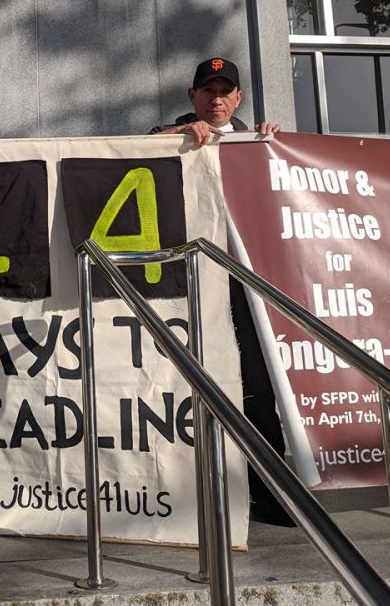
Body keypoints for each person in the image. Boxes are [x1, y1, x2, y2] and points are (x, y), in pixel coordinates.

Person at [150, 57, 293, 526]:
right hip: (185, 283)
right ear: (192, 97)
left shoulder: (258, 143)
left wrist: (273, 145)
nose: (216, 99)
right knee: (178, 384)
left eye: (225, 91)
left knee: (257, 387)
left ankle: (268, 494)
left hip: (243, 285)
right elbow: (133, 155)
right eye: (208, 91)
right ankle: (182, 491)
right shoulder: (169, 137)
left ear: (238, 98)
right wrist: (177, 136)